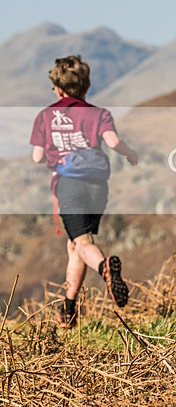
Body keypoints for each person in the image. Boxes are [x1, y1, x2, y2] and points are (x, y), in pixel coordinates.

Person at [30, 55, 138, 328]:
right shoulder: (99, 113)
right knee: (75, 244)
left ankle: (105, 270)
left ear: (57, 88)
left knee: (82, 243)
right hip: (97, 186)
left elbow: (37, 157)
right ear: (86, 86)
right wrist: (131, 154)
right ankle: (68, 309)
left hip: (69, 184)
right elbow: (113, 143)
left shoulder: (45, 116)